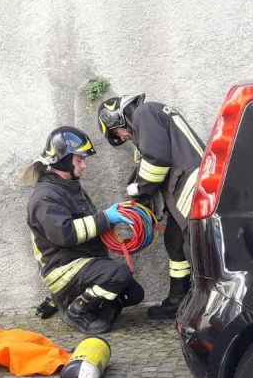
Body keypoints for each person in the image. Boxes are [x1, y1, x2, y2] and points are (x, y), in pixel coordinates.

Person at [24, 126, 145, 335]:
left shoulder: (68, 186)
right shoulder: (45, 196)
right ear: (63, 159)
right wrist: (105, 218)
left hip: (83, 261)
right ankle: (75, 311)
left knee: (134, 294)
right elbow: (66, 234)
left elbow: (87, 224)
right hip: (64, 268)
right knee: (119, 274)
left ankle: (92, 308)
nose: (84, 165)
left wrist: (107, 222)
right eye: (79, 160)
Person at [97, 94, 203, 319]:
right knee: (175, 242)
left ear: (118, 118)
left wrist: (138, 189)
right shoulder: (152, 115)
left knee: (196, 247)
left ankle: (205, 305)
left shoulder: (143, 113)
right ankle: (178, 299)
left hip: (192, 188)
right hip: (183, 187)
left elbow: (156, 161)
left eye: (117, 132)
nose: (123, 137)